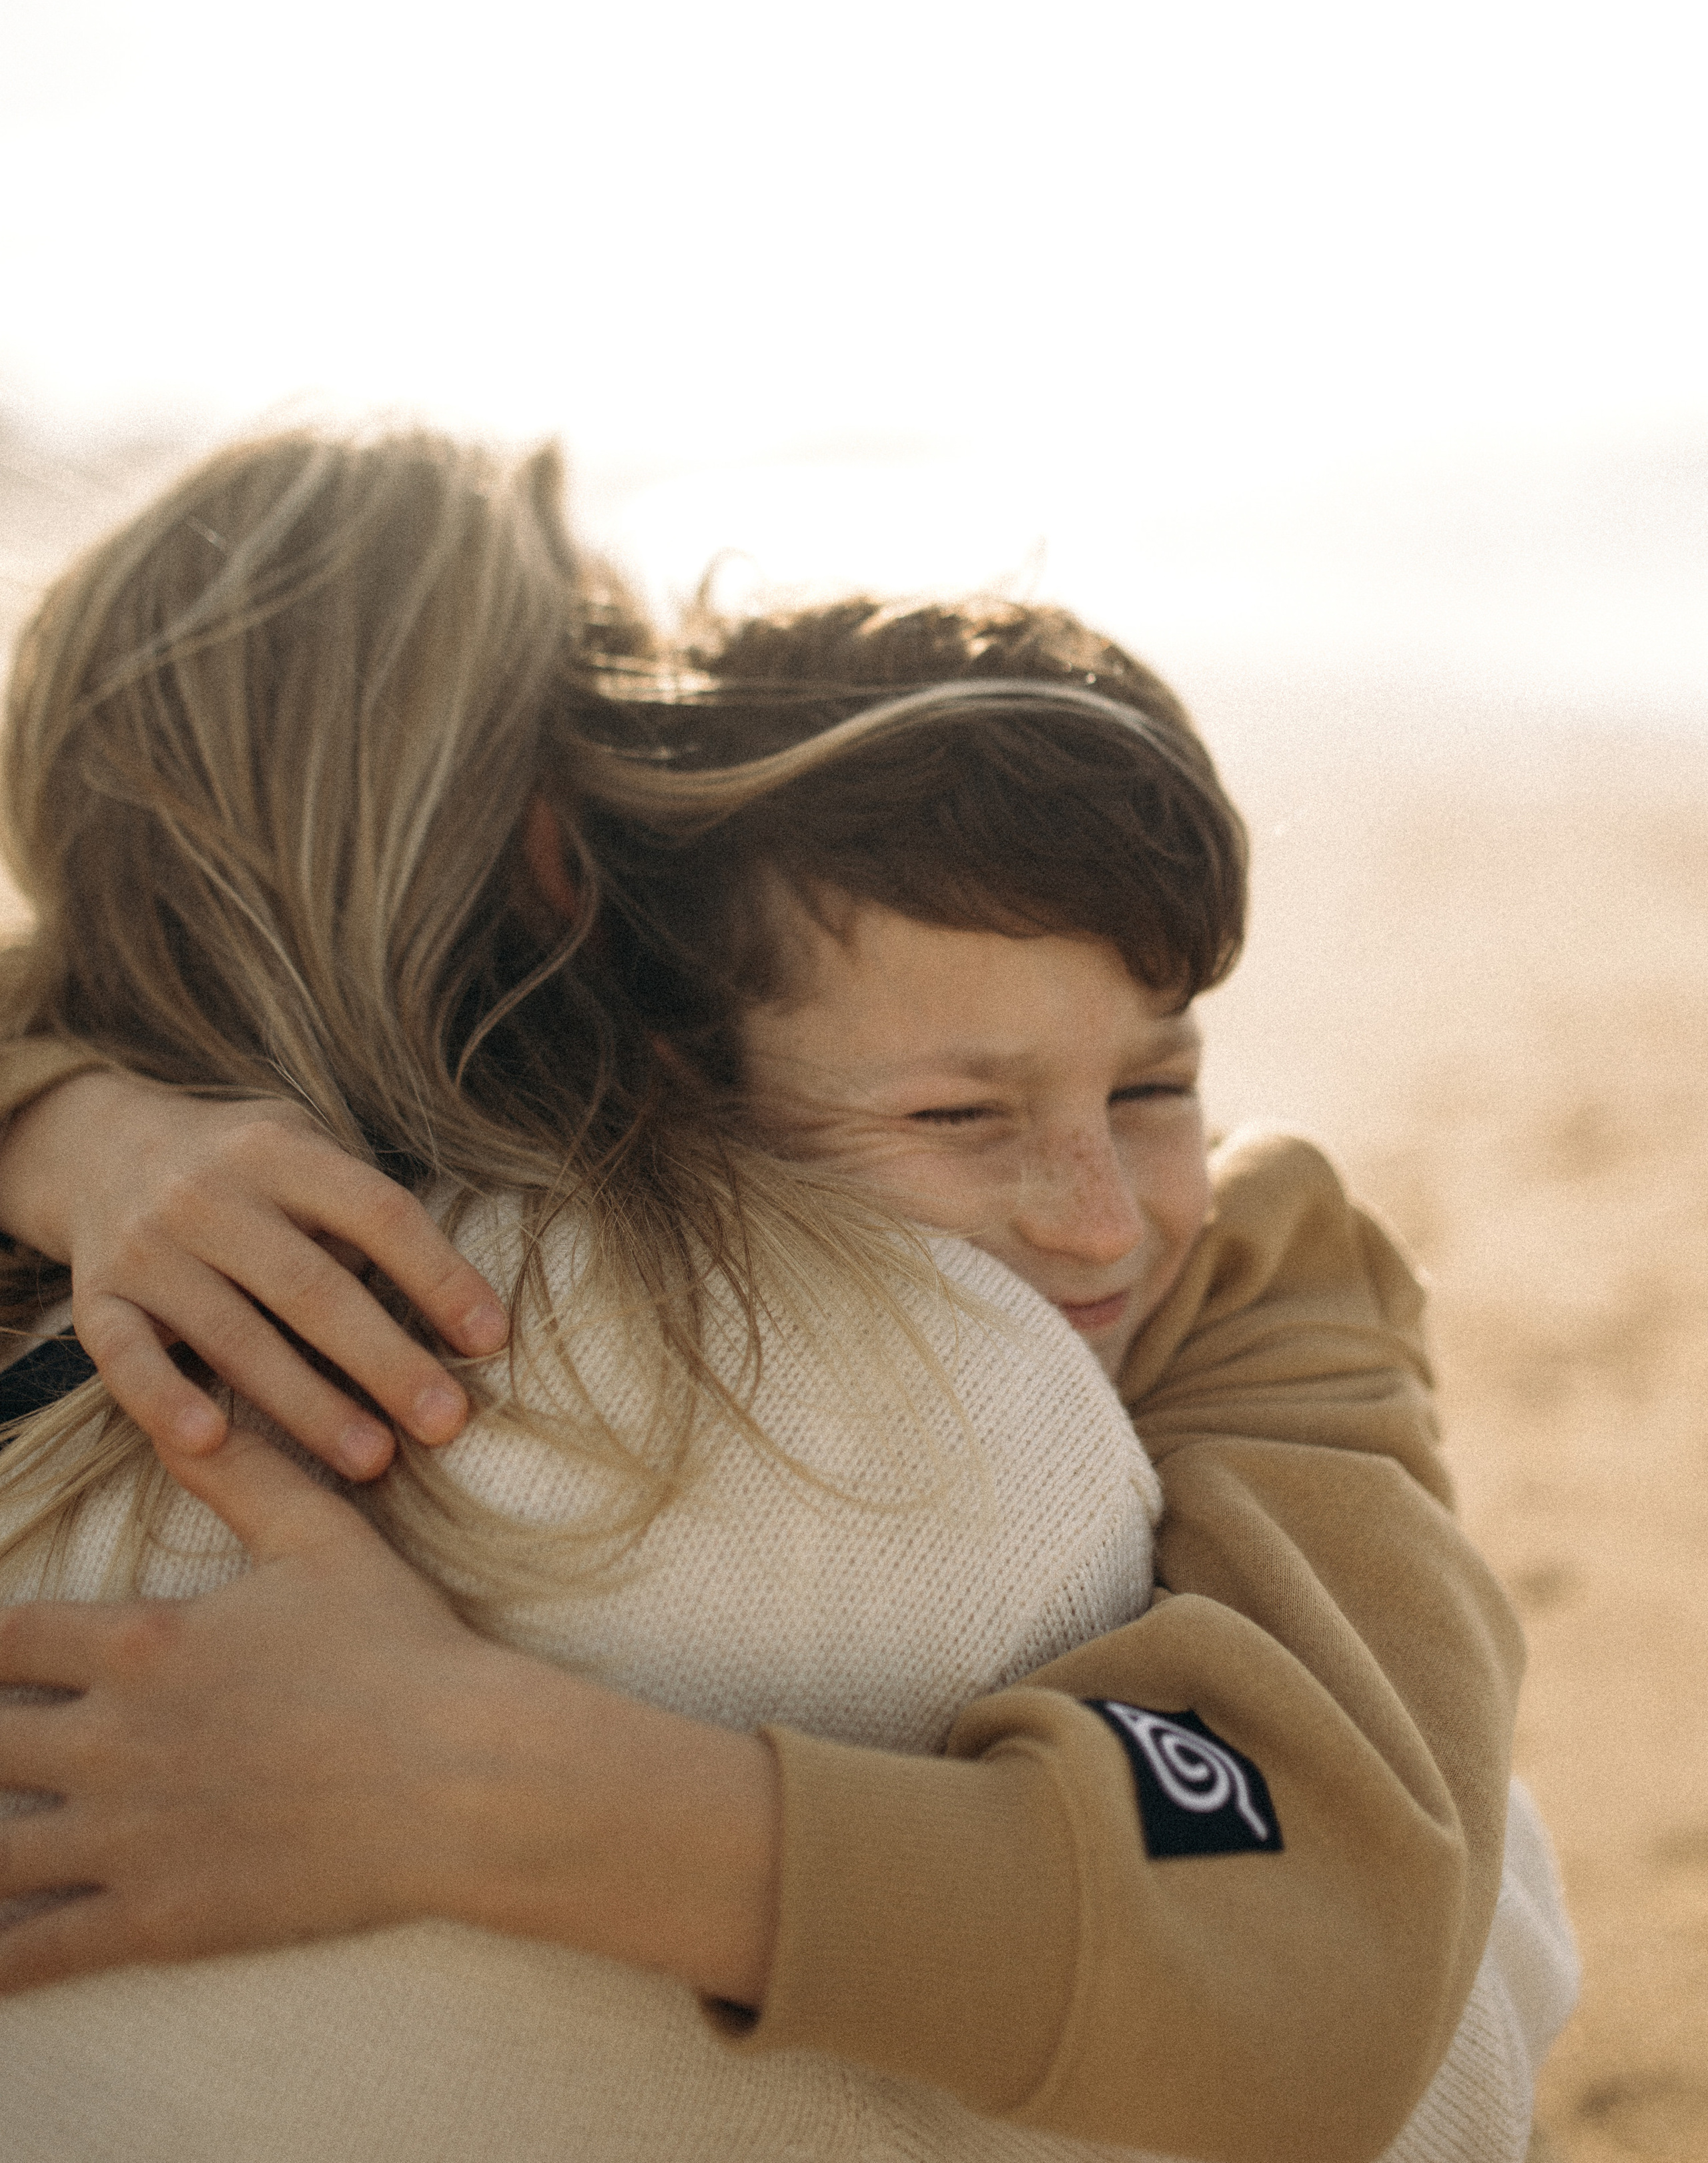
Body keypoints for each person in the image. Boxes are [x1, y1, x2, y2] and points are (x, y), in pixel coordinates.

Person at [0, 431, 1571, 2160]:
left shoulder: (1261, 1270)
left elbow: (1332, 1939)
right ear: (575, 880)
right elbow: (1363, 2011)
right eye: (960, 1117)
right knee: (1506, 1887)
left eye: (1152, 1091)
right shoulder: (885, 1417)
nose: (1103, 1222)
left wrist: (473, 1785)